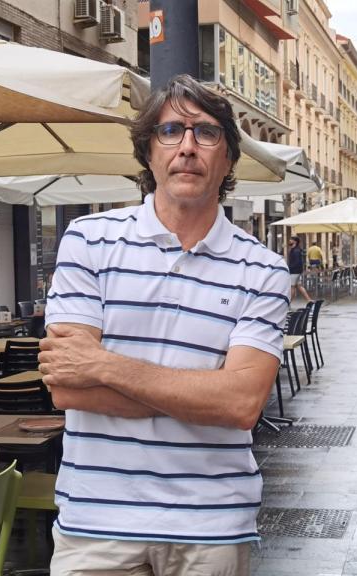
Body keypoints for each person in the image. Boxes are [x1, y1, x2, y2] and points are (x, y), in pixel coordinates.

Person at [39, 74, 288, 576]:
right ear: (148, 153)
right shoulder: (88, 240)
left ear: (229, 159)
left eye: (207, 133)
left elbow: (240, 405)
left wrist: (103, 364)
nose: (188, 148)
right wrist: (199, 396)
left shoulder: (264, 268)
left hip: (212, 525)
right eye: (171, 131)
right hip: (96, 522)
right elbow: (68, 389)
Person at [288, 236, 313, 303]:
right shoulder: (295, 249)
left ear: (295, 242)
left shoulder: (296, 250)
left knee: (292, 287)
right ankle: (309, 300)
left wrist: (290, 268)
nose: (289, 241)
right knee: (299, 286)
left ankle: (288, 303)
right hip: (296, 271)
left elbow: (297, 262)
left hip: (294, 271)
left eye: (291, 240)